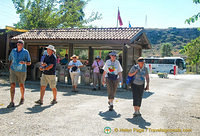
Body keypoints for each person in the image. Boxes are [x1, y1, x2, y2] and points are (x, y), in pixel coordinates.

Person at [7, 39, 31, 108]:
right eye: (17, 43)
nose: (18, 44)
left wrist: (24, 63)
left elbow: (29, 62)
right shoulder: (13, 51)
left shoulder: (26, 52)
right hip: (13, 70)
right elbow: (10, 59)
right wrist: (10, 68)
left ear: (22, 45)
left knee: (21, 85)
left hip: (22, 71)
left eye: (20, 43)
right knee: (12, 85)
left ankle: (22, 97)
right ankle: (12, 102)